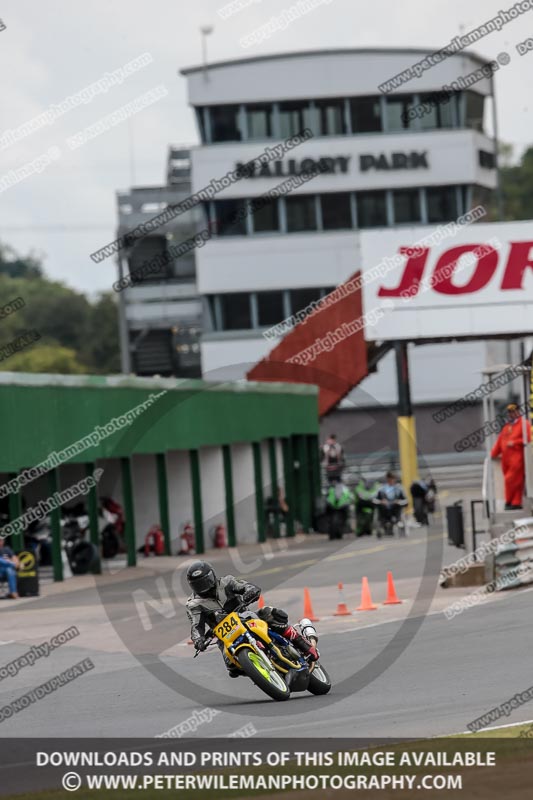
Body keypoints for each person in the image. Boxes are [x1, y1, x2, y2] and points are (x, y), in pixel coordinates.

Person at [185, 561, 318, 677]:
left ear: (212, 576)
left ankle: (305, 646)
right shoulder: (194, 605)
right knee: (232, 668)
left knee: (270, 614)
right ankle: (261, 672)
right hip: (225, 636)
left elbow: (245, 586)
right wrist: (198, 640)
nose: (203, 586)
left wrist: (250, 591)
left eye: (205, 581)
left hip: (246, 617)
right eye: (198, 584)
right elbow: (196, 626)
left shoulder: (227, 582)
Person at [491, 403, 532, 510]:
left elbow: (528, 439)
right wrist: (493, 454)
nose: (512, 414)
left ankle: (508, 501)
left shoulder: (524, 424)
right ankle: (515, 502)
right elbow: (500, 441)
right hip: (506, 459)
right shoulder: (507, 426)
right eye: (510, 412)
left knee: (510, 480)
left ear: (518, 412)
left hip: (517, 457)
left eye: (514, 411)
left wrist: (514, 442)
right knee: (516, 481)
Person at [374, 472, 408, 537]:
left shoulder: (399, 489)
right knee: (381, 509)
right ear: (387, 479)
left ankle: (397, 523)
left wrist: (398, 501)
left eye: (392, 479)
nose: (390, 481)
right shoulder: (381, 489)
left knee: (397, 508)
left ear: (394, 479)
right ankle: (385, 525)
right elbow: (374, 500)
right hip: (384, 509)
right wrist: (381, 501)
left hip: (395, 509)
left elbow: (406, 501)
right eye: (389, 479)